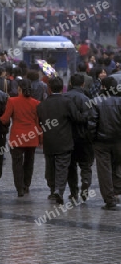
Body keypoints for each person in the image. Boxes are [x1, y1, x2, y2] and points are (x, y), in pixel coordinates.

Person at [37, 76, 87, 204]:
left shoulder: (42, 105)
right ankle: (59, 190)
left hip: (49, 141)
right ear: (62, 88)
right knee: (62, 167)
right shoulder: (67, 102)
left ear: (49, 88)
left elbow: (40, 121)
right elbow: (78, 118)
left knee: (50, 167)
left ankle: (52, 189)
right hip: (64, 140)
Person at [0, 79, 41, 197]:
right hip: (32, 136)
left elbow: (5, 118)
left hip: (17, 136)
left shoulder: (12, 101)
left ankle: (19, 188)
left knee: (17, 163)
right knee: (29, 162)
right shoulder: (36, 103)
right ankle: (26, 184)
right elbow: (38, 122)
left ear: (19, 89)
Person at [88, 77, 121, 210]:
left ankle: (109, 199)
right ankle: (117, 191)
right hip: (119, 140)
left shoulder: (96, 101)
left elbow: (92, 123)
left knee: (104, 170)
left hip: (101, 142)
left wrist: (92, 138)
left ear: (103, 87)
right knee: (118, 165)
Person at [64, 74, 94, 202]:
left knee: (71, 166)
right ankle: (85, 183)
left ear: (70, 83)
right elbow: (90, 119)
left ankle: (73, 191)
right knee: (85, 165)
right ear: (82, 84)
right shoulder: (86, 99)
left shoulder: (63, 98)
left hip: (66, 137)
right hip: (83, 138)